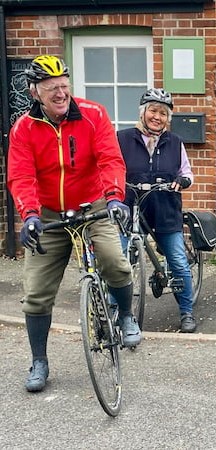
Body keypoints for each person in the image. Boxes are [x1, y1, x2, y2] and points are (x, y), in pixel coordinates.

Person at [8, 55, 141, 393]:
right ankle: (39, 360)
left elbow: (110, 158)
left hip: (92, 204)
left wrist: (114, 198)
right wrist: (30, 215)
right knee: (36, 293)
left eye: (64, 86)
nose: (60, 93)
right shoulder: (24, 128)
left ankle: (125, 314)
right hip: (49, 212)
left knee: (114, 261)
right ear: (35, 91)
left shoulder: (92, 114)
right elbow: (21, 176)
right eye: (51, 88)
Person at [117, 88, 197, 333]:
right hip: (129, 208)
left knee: (178, 262)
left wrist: (182, 181)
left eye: (163, 113)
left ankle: (186, 312)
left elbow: (187, 173)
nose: (157, 117)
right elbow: (110, 166)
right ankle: (114, 310)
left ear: (168, 118)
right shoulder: (122, 138)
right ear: (143, 113)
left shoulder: (174, 142)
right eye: (153, 110)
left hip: (164, 208)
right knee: (117, 261)